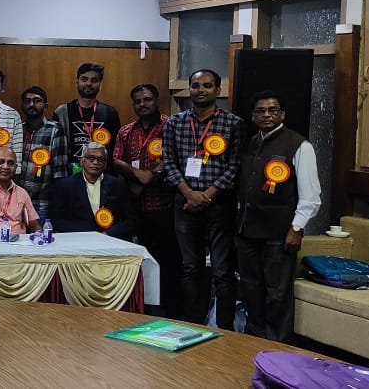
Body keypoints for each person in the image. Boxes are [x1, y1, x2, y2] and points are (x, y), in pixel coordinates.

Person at [237, 90, 321, 343]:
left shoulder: (299, 145)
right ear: (253, 116)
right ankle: (253, 342)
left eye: (272, 110)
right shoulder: (250, 143)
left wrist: (297, 228)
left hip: (279, 233)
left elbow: (311, 196)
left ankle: (277, 346)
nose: (267, 115)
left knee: (277, 293)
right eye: (260, 111)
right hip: (247, 231)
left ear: (282, 114)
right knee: (251, 289)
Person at [162, 69, 242, 329]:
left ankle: (225, 329)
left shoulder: (233, 123)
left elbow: (235, 166)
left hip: (219, 205)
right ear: (190, 89)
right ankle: (192, 325)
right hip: (185, 203)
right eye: (196, 85)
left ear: (218, 90)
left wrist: (207, 195)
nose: (201, 90)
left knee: (222, 271)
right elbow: (168, 162)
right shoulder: (175, 123)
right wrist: (188, 193)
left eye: (207, 85)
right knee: (191, 268)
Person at [113, 83, 181, 318]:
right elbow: (117, 161)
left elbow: (173, 158)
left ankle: (171, 313)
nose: (143, 104)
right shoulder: (126, 131)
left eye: (147, 99)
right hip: (135, 208)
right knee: (141, 262)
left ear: (157, 100)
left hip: (165, 207)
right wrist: (139, 175)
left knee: (168, 263)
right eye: (138, 101)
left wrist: (151, 177)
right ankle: (144, 311)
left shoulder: (171, 125)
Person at [47, 143, 135, 239]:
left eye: (101, 159)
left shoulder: (118, 185)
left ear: (105, 164)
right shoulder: (66, 185)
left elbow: (131, 220)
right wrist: (89, 233)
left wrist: (108, 233)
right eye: (91, 158)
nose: (96, 162)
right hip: (78, 239)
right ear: (82, 161)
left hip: (110, 239)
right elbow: (56, 220)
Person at [54, 63, 121, 171]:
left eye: (94, 80)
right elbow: (56, 150)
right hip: (69, 174)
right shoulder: (62, 112)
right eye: (84, 79)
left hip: (101, 174)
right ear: (77, 82)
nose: (89, 83)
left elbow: (114, 151)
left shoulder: (110, 113)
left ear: (100, 84)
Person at [16, 86, 68, 217]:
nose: (31, 104)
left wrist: (56, 205)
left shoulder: (55, 130)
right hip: (17, 204)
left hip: (42, 206)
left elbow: (60, 174)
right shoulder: (18, 129)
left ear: (45, 105)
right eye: (27, 101)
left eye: (36, 100)